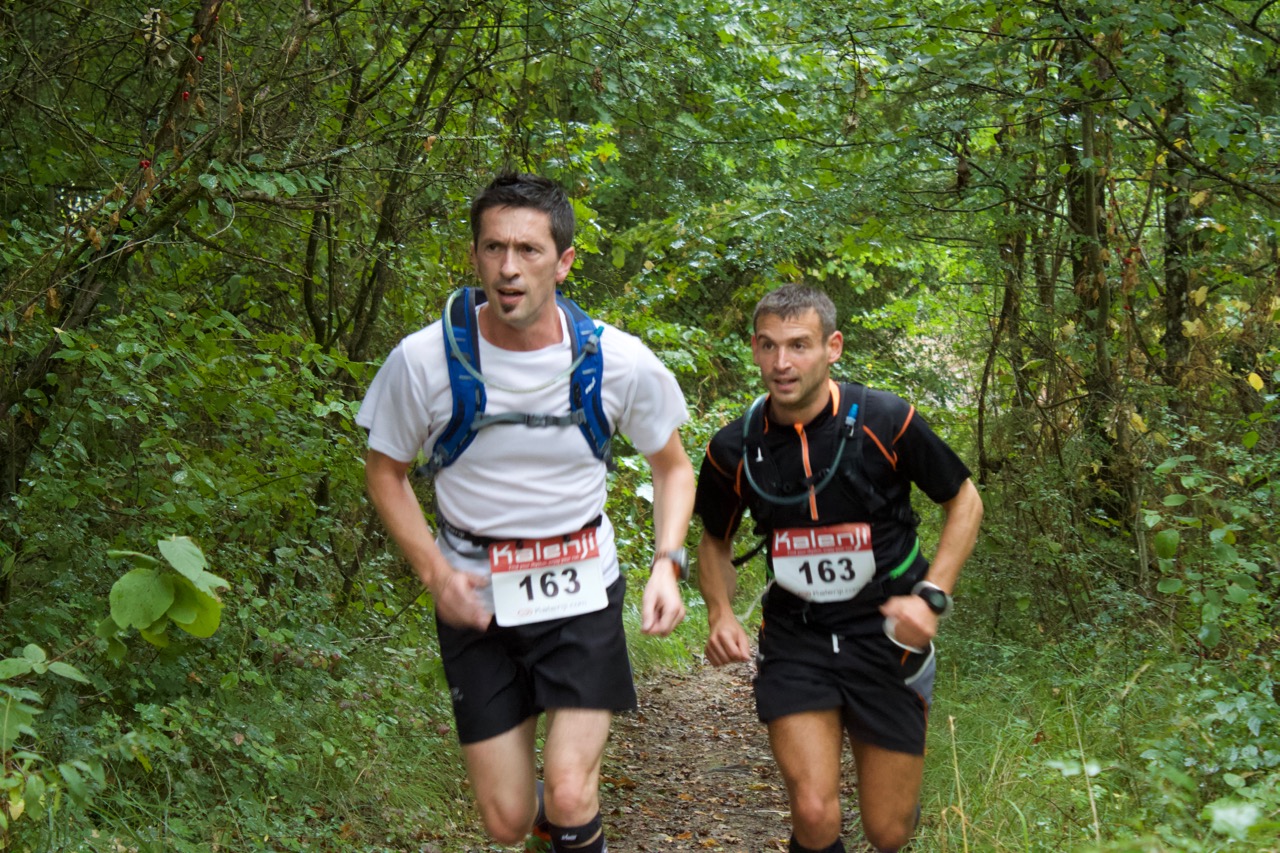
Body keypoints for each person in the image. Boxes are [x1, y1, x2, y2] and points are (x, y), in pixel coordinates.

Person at [357, 172, 695, 853]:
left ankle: (571, 819)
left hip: (582, 591)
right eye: (494, 248)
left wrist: (667, 563)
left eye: (528, 250)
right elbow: (384, 472)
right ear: (474, 255)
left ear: (563, 262)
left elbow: (674, 467)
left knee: (569, 790)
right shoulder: (424, 361)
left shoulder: (616, 361)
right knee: (508, 820)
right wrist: (435, 574)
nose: (508, 267)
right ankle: (550, 823)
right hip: (476, 601)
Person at [694, 284, 982, 853]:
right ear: (754, 349)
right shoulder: (733, 449)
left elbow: (964, 501)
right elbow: (714, 542)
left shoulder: (886, 419)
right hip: (796, 639)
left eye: (799, 345)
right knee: (814, 811)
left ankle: (895, 794)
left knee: (888, 832)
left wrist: (931, 596)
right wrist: (720, 612)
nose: (782, 363)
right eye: (769, 345)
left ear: (833, 347)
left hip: (886, 636)